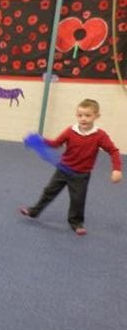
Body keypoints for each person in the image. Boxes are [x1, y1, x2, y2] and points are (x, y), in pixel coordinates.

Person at [19, 98, 122, 235]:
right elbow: (55, 143)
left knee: (78, 199)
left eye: (87, 115)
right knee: (49, 191)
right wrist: (40, 140)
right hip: (63, 169)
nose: (83, 118)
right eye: (80, 115)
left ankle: (76, 222)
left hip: (81, 174)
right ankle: (34, 211)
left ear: (96, 116)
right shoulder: (70, 131)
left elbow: (113, 151)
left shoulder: (100, 135)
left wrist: (117, 169)